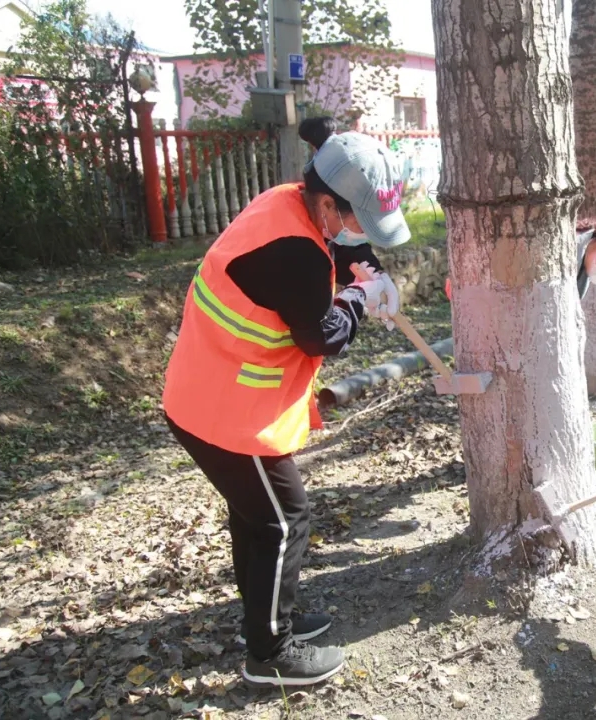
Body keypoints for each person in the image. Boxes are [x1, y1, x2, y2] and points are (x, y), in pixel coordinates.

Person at [162, 117, 407, 688]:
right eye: (353, 219)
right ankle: (269, 654)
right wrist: (357, 299)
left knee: (256, 515)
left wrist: (367, 270)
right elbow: (319, 336)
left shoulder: (286, 202)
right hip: (225, 411)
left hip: (208, 393)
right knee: (283, 519)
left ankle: (265, 621)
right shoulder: (293, 251)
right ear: (327, 206)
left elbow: (339, 250)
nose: (355, 231)